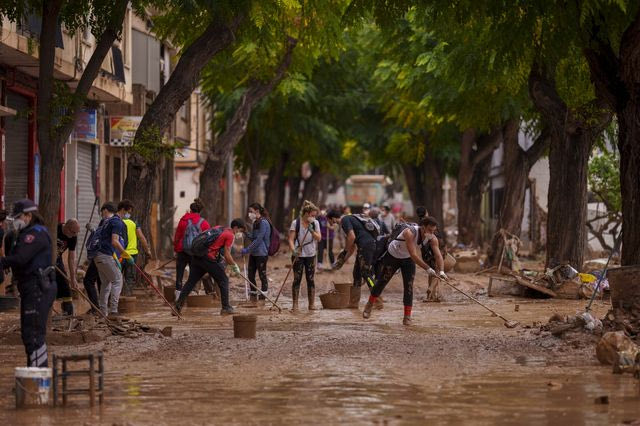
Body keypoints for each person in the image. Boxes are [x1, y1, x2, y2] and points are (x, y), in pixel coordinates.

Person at [0, 199, 55, 367]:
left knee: (33, 335)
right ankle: (33, 376)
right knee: (28, 334)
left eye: (18, 217)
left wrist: (2, 262)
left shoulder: (35, 234)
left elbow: (21, 259)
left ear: (28, 215)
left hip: (38, 287)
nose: (16, 221)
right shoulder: (26, 233)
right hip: (32, 288)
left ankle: (38, 379)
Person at [363, 217, 446, 326]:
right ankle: (369, 304)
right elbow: (414, 254)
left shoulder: (432, 238)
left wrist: (442, 272)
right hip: (393, 256)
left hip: (407, 259)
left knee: (409, 286)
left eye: (434, 231)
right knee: (382, 282)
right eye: (430, 230)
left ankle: (407, 317)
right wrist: (428, 269)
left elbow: (438, 256)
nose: (432, 233)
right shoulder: (409, 232)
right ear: (423, 227)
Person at [175, 219, 246, 316]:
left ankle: (177, 307)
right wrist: (234, 266)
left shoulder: (220, 228)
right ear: (236, 228)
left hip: (198, 256)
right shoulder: (230, 235)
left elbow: (214, 245)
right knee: (224, 280)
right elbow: (227, 255)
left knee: (191, 282)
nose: (240, 233)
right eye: (240, 231)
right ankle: (226, 307)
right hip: (208, 259)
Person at [330, 209, 382, 309]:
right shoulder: (353, 219)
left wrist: (344, 252)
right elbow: (352, 247)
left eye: (330, 221)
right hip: (366, 246)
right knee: (357, 273)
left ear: (332, 219)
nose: (331, 224)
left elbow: (351, 237)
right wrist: (343, 260)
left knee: (366, 274)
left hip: (366, 247)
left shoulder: (345, 220)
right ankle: (353, 303)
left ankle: (378, 299)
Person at [91, 202, 128, 316]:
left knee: (105, 284)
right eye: (128, 212)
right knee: (117, 280)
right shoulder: (117, 222)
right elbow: (114, 241)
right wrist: (125, 253)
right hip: (105, 255)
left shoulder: (107, 222)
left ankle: (103, 313)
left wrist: (115, 256)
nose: (128, 215)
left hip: (98, 256)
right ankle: (113, 311)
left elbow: (105, 241)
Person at [173, 199, 210, 300]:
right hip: (195, 253)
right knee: (194, 274)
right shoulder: (204, 223)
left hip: (182, 250)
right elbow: (207, 240)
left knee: (179, 275)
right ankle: (193, 295)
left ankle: (178, 297)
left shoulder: (183, 220)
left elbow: (177, 236)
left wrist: (176, 250)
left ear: (190, 210)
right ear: (200, 211)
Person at [288, 200, 322, 311]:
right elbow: (291, 239)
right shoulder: (296, 223)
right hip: (298, 255)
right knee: (297, 279)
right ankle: (295, 304)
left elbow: (319, 238)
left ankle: (311, 304)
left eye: (315, 216)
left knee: (310, 279)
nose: (314, 217)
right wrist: (294, 251)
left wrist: (312, 231)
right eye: (312, 215)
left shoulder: (315, 223)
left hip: (311, 255)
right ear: (306, 213)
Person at [118, 200, 152, 296]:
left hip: (118, 255)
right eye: (129, 212)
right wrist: (147, 251)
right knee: (129, 278)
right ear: (124, 210)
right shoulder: (133, 224)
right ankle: (127, 300)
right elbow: (141, 237)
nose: (129, 214)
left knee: (116, 278)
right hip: (131, 256)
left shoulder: (115, 222)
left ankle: (114, 302)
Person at [241, 203, 271, 303]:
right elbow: (253, 237)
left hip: (262, 253)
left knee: (262, 275)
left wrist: (247, 249)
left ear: (257, 211)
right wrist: (245, 232)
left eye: (251, 211)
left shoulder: (264, 223)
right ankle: (253, 295)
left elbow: (258, 240)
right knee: (250, 275)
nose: (250, 214)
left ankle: (263, 296)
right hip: (254, 254)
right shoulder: (255, 223)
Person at [55, 219, 80, 315]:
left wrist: (73, 278)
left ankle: (68, 311)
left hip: (57, 259)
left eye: (76, 233)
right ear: (67, 228)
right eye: (73, 232)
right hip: (45, 257)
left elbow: (71, 259)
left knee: (65, 282)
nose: (75, 235)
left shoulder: (73, 237)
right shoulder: (56, 228)